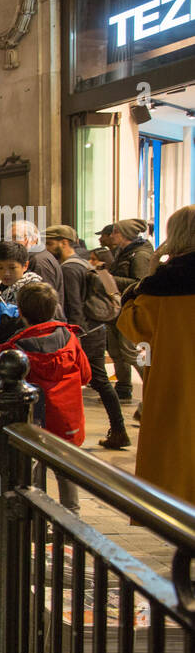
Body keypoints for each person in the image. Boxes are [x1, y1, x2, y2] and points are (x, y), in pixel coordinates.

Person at [117, 205, 195, 507]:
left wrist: (150, 273)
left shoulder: (164, 283)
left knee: (177, 463)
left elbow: (133, 325)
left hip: (176, 385)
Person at [0, 283, 91, 513]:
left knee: (31, 470)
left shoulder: (15, 349)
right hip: (68, 421)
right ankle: (72, 522)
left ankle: (32, 518)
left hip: (34, 423)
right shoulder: (70, 338)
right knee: (66, 472)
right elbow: (86, 376)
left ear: (21, 312)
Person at [45, 224, 129, 450]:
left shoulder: (70, 269)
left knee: (90, 382)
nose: (47, 247)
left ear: (64, 242)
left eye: (51, 243)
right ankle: (118, 430)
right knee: (100, 381)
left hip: (85, 334)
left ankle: (108, 430)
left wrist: (74, 339)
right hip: (96, 330)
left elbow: (73, 306)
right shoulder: (82, 263)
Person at [105, 218, 153, 405]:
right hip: (119, 307)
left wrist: (110, 278)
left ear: (124, 233)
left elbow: (140, 282)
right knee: (116, 350)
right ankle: (123, 388)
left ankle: (150, 386)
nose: (111, 235)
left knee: (129, 351)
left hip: (131, 307)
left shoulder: (139, 255)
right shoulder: (123, 253)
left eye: (115, 231)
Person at [11, 220, 64, 306]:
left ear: (33, 239)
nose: (11, 242)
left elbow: (43, 300)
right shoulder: (34, 258)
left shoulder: (39, 261)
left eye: (16, 237)